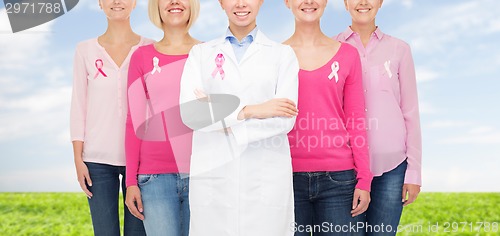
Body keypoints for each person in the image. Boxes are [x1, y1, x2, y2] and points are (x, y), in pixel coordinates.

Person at [179, 0, 300, 235]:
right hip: (215, 179)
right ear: (221, 3)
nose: (241, 4)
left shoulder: (282, 55)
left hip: (264, 180)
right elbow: (192, 113)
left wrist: (219, 116)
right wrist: (252, 111)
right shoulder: (201, 54)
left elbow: (285, 117)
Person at [284, 0, 372, 235]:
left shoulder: (348, 55)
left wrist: (364, 178)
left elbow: (356, 120)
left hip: (340, 181)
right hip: (285, 178)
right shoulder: (276, 57)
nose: (309, 2)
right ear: (287, 3)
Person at [335, 0, 422, 234]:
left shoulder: (399, 49)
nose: (363, 2)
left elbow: (410, 112)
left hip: (392, 168)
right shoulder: (332, 48)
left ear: (381, 2)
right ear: (345, 3)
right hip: (345, 169)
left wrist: (413, 172)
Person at [70, 0, 153, 235]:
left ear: (135, 3)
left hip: (141, 160)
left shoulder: (151, 48)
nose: (117, 1)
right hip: (96, 161)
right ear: (100, 3)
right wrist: (78, 158)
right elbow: (78, 105)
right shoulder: (84, 50)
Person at [123, 0, 200, 235]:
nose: (175, 2)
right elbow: (133, 122)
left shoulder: (209, 53)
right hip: (154, 178)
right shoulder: (141, 57)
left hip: (202, 174)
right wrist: (130, 182)